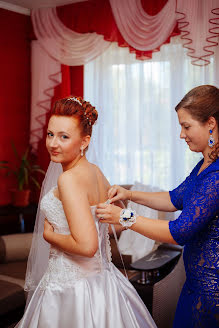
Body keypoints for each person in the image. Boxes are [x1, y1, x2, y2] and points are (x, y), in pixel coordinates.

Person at [15, 96, 156, 328]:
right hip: (103, 282)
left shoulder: (68, 179)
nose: (53, 144)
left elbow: (87, 247)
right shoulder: (95, 171)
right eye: (50, 134)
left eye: (64, 137)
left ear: (84, 141)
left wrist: (50, 236)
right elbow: (122, 220)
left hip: (72, 290)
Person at [97, 85, 219, 328]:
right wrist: (130, 193)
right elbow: (174, 199)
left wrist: (124, 217)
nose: (181, 135)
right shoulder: (205, 164)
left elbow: (179, 232)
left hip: (211, 291)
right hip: (196, 284)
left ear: (210, 123)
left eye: (186, 126)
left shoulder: (216, 177)